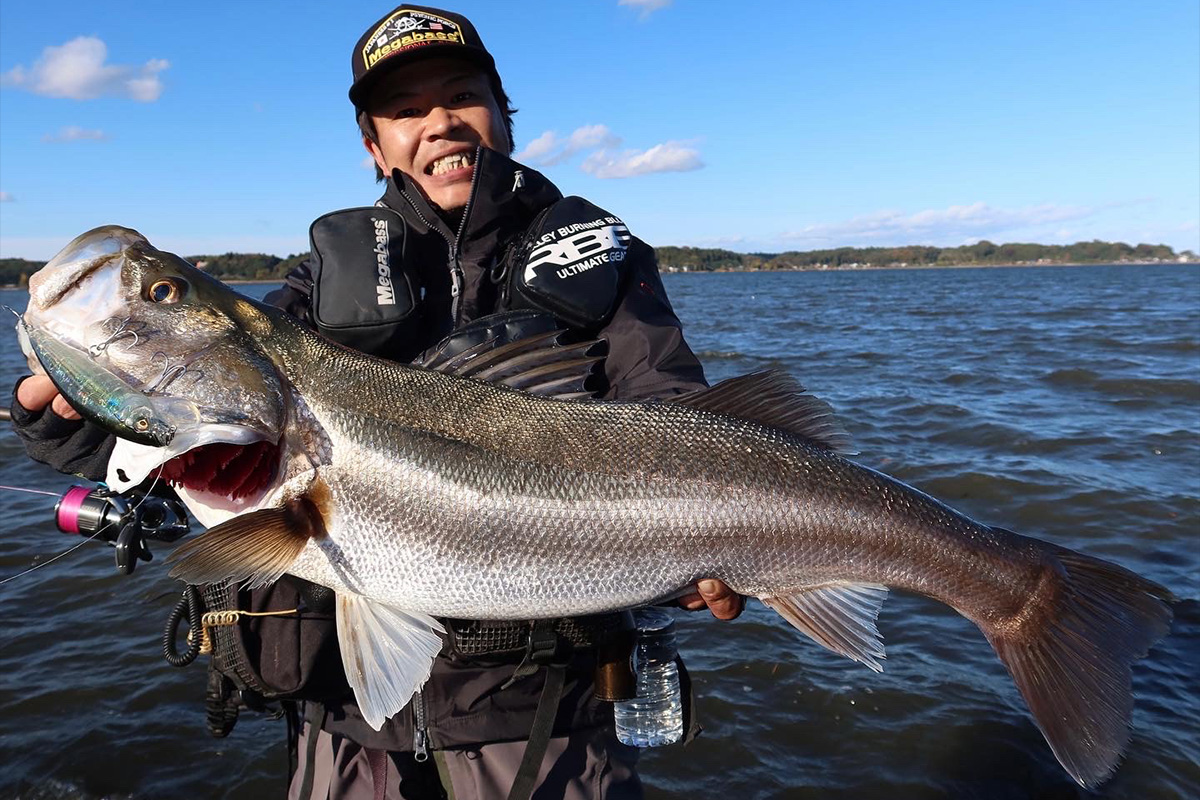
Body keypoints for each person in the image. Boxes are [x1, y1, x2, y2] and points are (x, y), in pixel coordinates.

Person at [11, 5, 744, 799]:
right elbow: (203, 419)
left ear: (505, 114)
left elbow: (672, 407)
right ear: (373, 144)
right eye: (404, 111)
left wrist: (711, 530)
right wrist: (71, 418)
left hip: (545, 716)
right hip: (346, 726)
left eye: (461, 96)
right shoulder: (321, 278)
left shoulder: (597, 256)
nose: (439, 125)